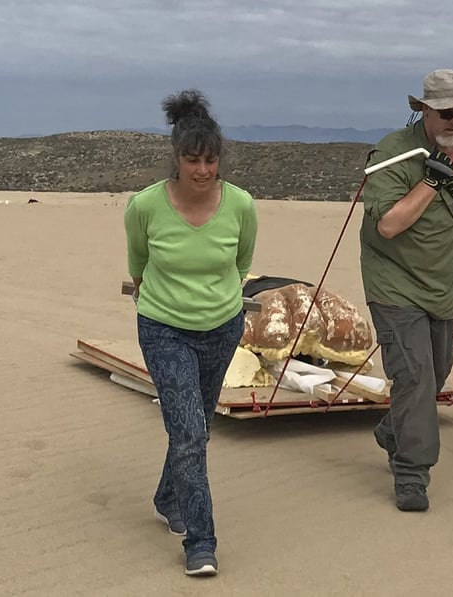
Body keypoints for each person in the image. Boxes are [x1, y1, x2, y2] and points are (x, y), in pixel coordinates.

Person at [360, 69, 453, 511]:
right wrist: (430, 183)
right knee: (415, 375)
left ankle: (393, 430)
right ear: (424, 109)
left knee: (438, 371)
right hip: (394, 281)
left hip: (444, 285)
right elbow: (387, 224)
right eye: (447, 112)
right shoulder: (392, 152)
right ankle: (412, 472)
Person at [124, 89, 257, 575]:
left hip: (222, 327)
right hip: (163, 328)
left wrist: (219, 305)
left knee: (196, 429)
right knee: (187, 434)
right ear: (176, 159)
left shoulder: (241, 205)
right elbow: (138, 264)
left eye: (211, 160)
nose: (202, 170)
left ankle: (166, 496)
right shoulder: (144, 206)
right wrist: (162, 302)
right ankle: (201, 541)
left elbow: (242, 262)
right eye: (192, 160)